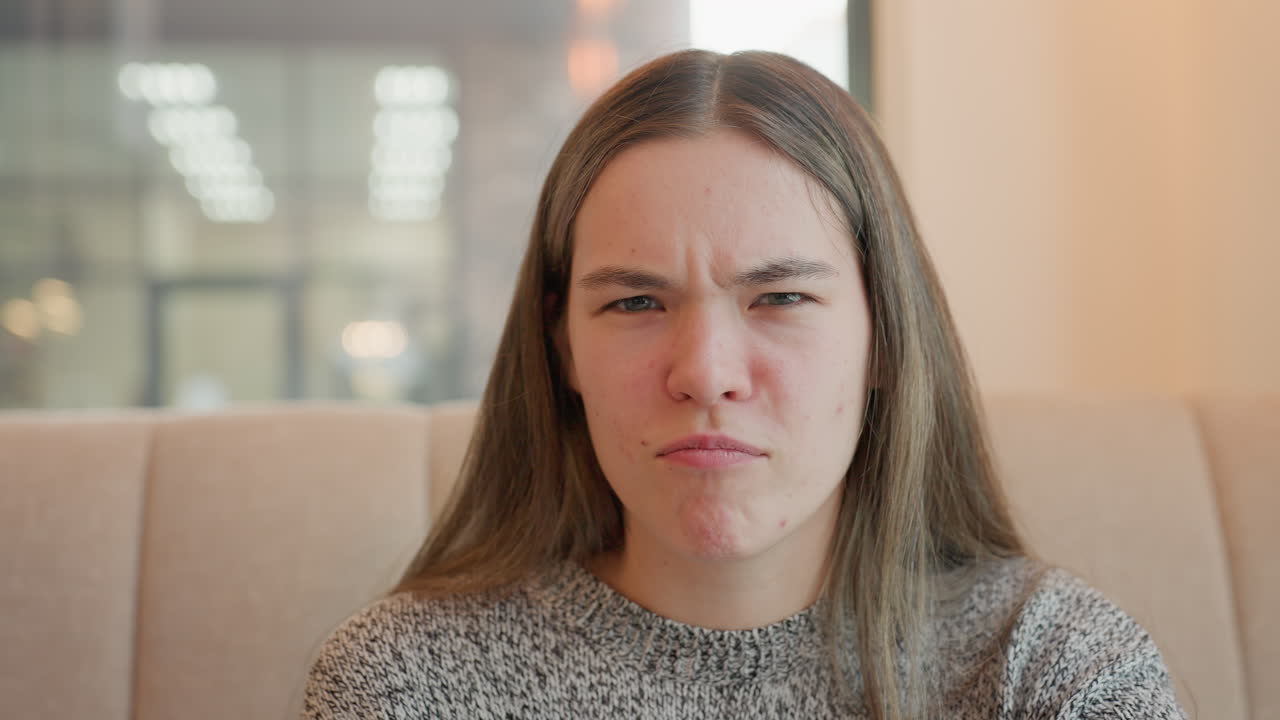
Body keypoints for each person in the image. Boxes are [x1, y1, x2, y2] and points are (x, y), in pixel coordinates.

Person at [301, 49, 1186, 719]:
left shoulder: (1054, 671)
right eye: (638, 300)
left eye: (782, 296)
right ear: (561, 345)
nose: (706, 374)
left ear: (885, 341)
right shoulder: (406, 685)